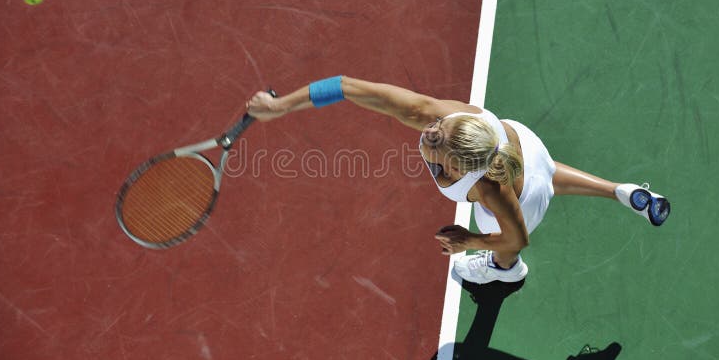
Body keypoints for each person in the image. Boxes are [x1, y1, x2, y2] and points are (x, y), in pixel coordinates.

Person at [246, 76, 670, 285]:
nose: (430, 131)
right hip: (529, 147)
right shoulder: (433, 114)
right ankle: (621, 191)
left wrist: (471, 242)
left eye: (439, 140)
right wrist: (280, 106)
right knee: (549, 169)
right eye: (439, 127)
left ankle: (504, 275)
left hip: (527, 196)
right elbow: (346, 86)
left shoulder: (489, 189)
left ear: (463, 166)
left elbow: (517, 238)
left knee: (511, 241)